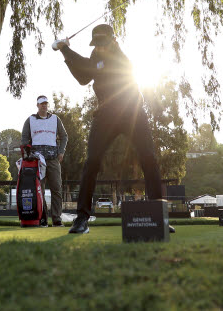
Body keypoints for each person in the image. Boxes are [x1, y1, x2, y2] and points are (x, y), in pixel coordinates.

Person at [55, 24, 171, 235]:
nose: (99, 48)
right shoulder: (96, 54)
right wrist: (65, 53)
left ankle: (158, 214)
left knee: (148, 157)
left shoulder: (120, 58)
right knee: (92, 162)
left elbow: (93, 69)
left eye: (102, 43)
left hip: (132, 112)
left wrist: (66, 49)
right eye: (96, 44)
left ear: (113, 41)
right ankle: (82, 218)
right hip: (105, 116)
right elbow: (83, 78)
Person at [21, 95, 69, 227]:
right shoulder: (30, 120)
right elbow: (24, 138)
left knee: (56, 189)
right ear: (37, 105)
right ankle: (42, 218)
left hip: (53, 159)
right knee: (39, 190)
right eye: (42, 104)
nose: (44, 105)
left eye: (46, 103)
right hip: (37, 161)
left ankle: (56, 219)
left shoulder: (55, 119)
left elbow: (64, 136)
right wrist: (27, 155)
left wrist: (61, 151)